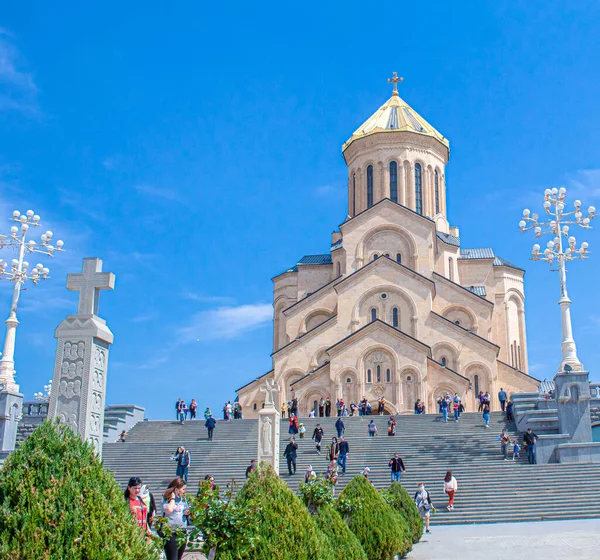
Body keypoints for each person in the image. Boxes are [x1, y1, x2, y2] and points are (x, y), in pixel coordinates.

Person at [161, 477, 189, 560]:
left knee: (179, 557)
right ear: (176, 490)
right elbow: (169, 510)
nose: (185, 491)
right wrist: (172, 498)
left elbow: (185, 509)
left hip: (182, 531)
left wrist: (187, 512)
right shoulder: (166, 498)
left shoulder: (183, 499)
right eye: (183, 489)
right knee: (172, 558)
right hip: (170, 532)